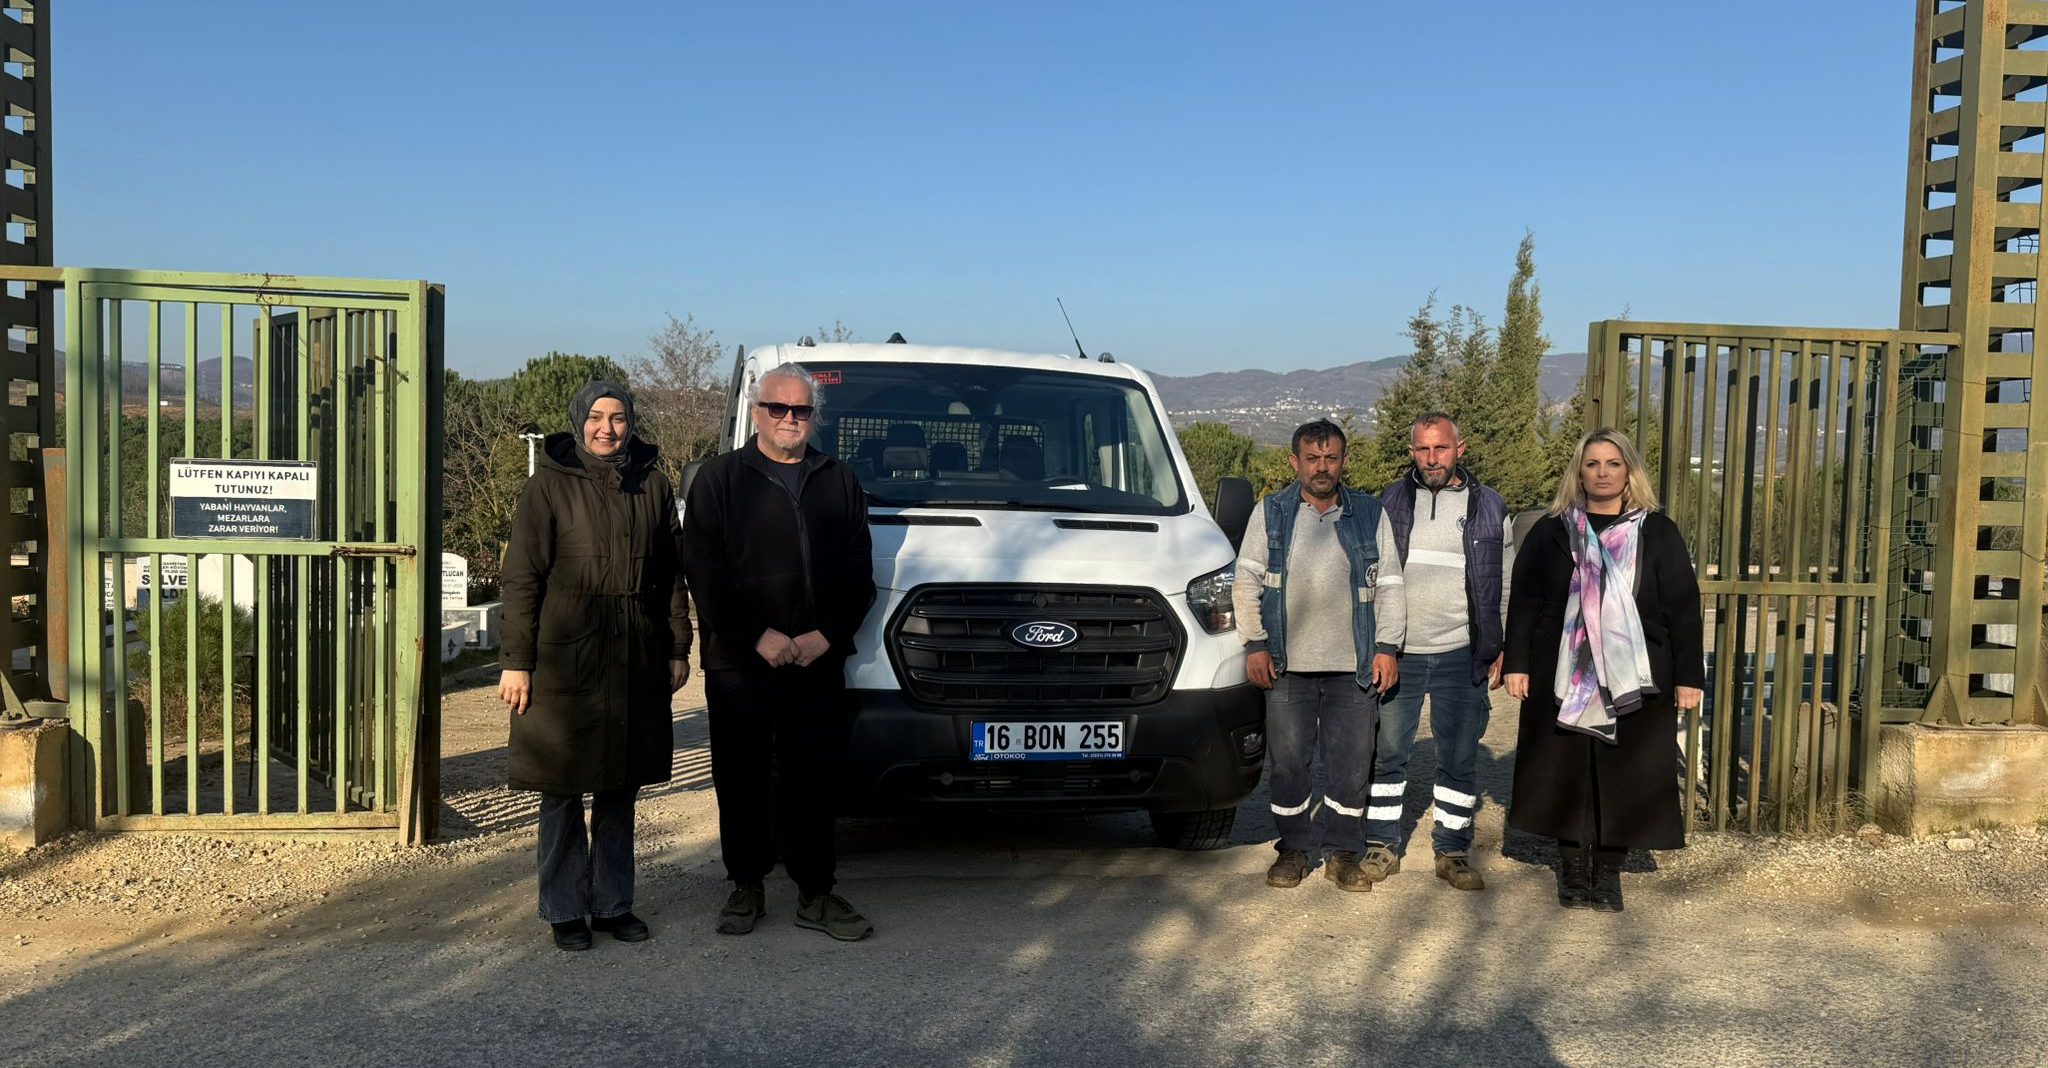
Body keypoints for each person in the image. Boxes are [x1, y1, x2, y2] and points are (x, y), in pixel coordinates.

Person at [682, 362, 878, 941]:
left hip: (815, 661)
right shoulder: (719, 480)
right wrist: (755, 635)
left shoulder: (838, 480)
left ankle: (816, 893)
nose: (790, 419)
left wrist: (828, 635)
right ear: (757, 411)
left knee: (813, 779)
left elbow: (858, 573)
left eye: (801, 410)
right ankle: (746, 886)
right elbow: (704, 572)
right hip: (742, 663)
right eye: (778, 408)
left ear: (814, 416)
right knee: (740, 777)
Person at [497, 381, 692, 952]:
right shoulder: (547, 486)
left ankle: (613, 904)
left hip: (633, 651)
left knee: (619, 786)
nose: (607, 429)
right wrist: (517, 662)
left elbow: (671, 578)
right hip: (564, 656)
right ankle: (563, 909)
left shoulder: (652, 485)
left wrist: (677, 648)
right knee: (560, 788)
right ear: (579, 420)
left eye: (618, 418)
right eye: (597, 418)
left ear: (631, 424)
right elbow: (521, 579)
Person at [1503, 427, 1704, 912]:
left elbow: (1683, 606)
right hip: (1562, 668)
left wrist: (1689, 676)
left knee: (1626, 772)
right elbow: (1526, 602)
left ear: (1629, 470)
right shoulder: (1552, 531)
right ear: (1579, 472)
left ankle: (1608, 873)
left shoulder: (1657, 532)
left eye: (1613, 464)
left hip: (1638, 672)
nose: (1602, 473)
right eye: (1592, 464)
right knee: (1565, 768)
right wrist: (1517, 663)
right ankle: (1573, 868)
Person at [1231, 418, 1405, 892]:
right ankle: (1293, 849)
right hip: (1287, 666)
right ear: (1295, 462)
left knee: (1351, 765)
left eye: (1331, 458)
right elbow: (1244, 582)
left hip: (1355, 667)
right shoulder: (1271, 513)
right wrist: (1255, 643)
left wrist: (1388, 646)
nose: (1322, 468)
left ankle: (1344, 853)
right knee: (1288, 764)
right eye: (1313, 458)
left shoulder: (1370, 514)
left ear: (1344, 461)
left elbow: (1389, 584)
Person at [1366, 412, 1512, 891]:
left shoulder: (1490, 506)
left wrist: (1500, 644)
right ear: (1412, 452)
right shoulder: (1389, 501)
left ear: (1460, 449)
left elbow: (1503, 585)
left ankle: (1452, 851)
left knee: (1459, 759)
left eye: (1441, 449)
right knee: (1388, 754)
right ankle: (1382, 845)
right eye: (1422, 449)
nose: (1432, 459)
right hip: (1400, 653)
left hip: (1461, 653)